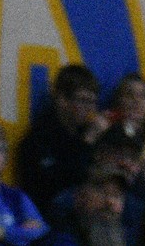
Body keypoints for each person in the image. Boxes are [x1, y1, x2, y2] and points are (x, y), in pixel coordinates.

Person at [16, 64, 104, 218]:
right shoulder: (38, 138)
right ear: (61, 99)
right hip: (47, 215)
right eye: (83, 101)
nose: (89, 108)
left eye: (92, 102)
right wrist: (86, 143)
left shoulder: (87, 131)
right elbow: (53, 186)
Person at [0, 122, 48, 246]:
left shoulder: (15, 196)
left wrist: (3, 233)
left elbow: (39, 229)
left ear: (6, 157)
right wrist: (20, 232)